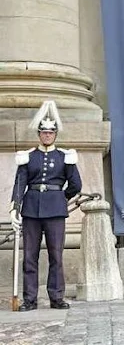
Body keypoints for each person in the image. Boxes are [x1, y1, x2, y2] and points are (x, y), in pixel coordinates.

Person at [9, 100, 82, 311]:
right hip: (31, 210)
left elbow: (76, 184)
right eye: (44, 132)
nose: (47, 135)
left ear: (55, 134)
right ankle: (30, 299)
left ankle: (56, 297)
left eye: (50, 132)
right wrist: (15, 207)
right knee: (30, 257)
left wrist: (60, 197)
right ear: (39, 134)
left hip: (55, 211)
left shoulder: (64, 157)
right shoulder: (28, 157)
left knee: (56, 255)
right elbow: (19, 183)